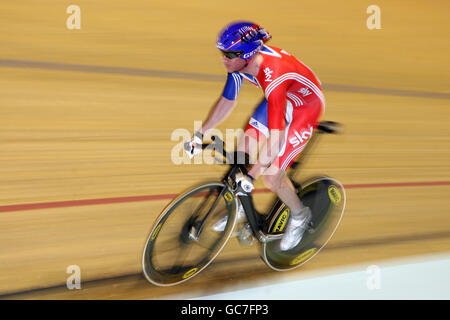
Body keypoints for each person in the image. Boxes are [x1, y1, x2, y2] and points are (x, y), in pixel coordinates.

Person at [184, 21, 325, 251]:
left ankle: (300, 215)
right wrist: (200, 134)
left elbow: (276, 137)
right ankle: (240, 205)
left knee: (271, 176)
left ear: (247, 54)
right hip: (280, 99)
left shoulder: (274, 76)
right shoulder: (240, 66)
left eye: (230, 54)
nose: (224, 59)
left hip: (304, 108)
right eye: (222, 53)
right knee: (242, 153)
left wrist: (253, 175)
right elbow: (227, 102)